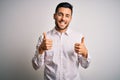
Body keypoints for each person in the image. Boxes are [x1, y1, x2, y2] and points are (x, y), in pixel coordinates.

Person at [32, 2, 91, 80]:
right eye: (60, 14)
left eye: (67, 16)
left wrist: (85, 53)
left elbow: (85, 65)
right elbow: (36, 66)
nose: (63, 18)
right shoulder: (44, 38)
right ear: (54, 16)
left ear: (70, 18)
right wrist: (41, 49)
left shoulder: (78, 37)